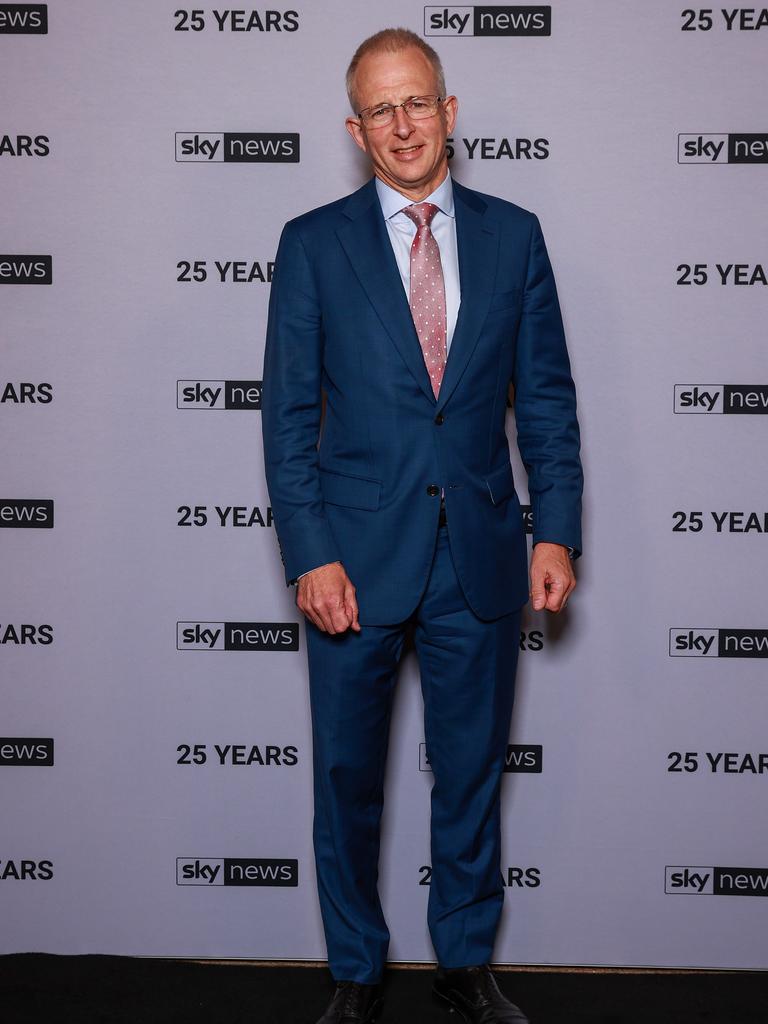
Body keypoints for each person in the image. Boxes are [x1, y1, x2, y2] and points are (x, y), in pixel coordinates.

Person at [262, 27, 582, 1024]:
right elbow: (285, 415)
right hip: (353, 562)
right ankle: (355, 971)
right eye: (380, 109)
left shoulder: (514, 234)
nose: (403, 125)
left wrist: (556, 529)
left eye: (418, 103)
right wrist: (309, 552)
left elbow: (549, 404)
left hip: (481, 559)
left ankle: (464, 964)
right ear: (356, 131)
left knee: (472, 777)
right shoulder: (311, 243)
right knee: (349, 779)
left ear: (449, 112)